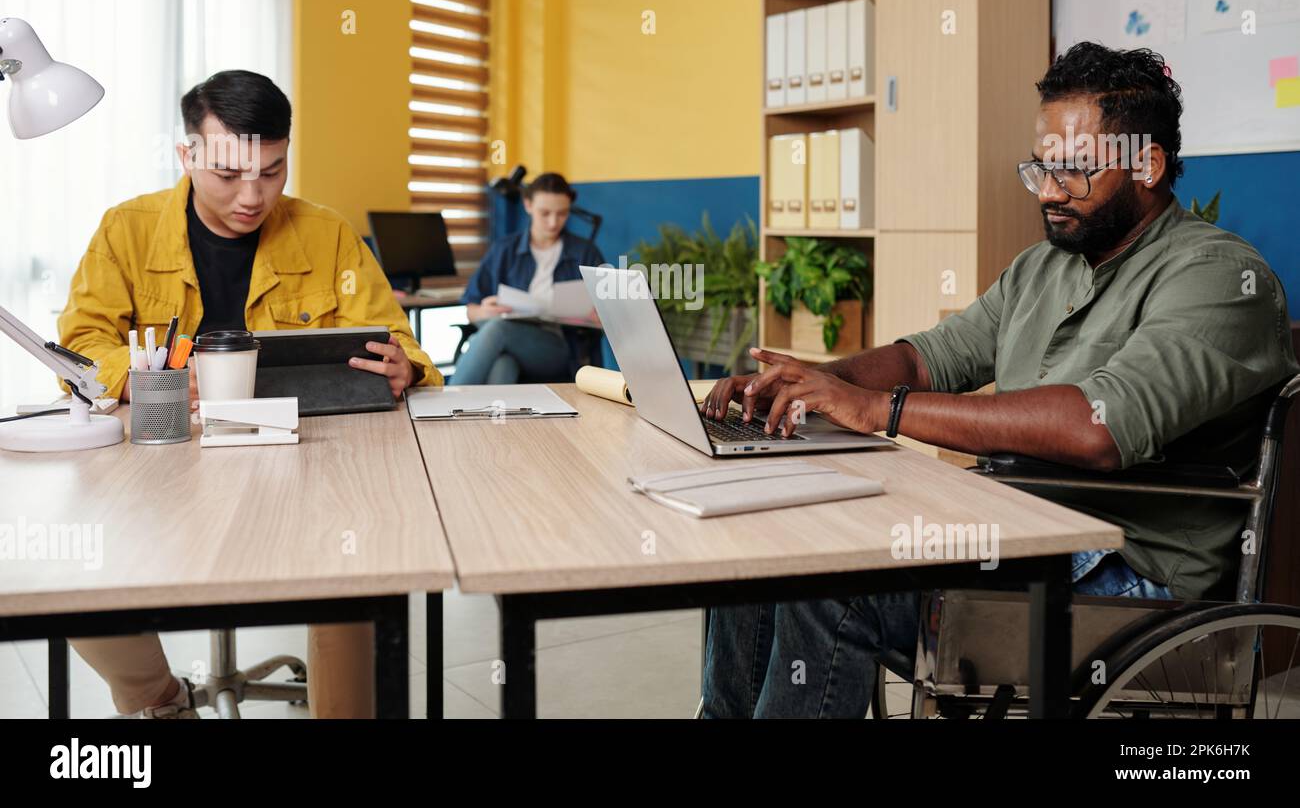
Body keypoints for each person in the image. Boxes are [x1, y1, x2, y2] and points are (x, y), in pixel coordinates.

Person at [700, 42, 1300, 718]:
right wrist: (811, 382)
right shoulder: (1041, 268)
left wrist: (875, 409)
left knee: (835, 580)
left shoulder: (1219, 278)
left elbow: (1097, 427)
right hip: (1015, 535)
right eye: (1041, 167)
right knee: (768, 542)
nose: (1047, 191)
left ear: (1148, 164)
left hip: (1126, 581)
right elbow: (930, 357)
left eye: (1072, 171)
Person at [58, 69, 438, 718]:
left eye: (272, 170)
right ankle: (158, 699)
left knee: (358, 569)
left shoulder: (328, 234)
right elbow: (79, 353)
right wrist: (164, 378)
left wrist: (409, 367)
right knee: (75, 568)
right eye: (230, 174)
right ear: (188, 155)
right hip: (162, 462)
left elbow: (402, 341)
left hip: (303, 464)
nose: (253, 195)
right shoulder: (125, 230)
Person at [455, 172, 605, 384]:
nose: (553, 222)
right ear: (528, 205)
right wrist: (482, 311)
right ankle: (496, 417)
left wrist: (599, 317)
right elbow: (471, 310)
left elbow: (611, 319)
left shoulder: (586, 253)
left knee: (499, 329)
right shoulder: (503, 250)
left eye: (562, 214)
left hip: (560, 350)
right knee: (503, 365)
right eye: (545, 213)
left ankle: (448, 401)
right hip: (511, 344)